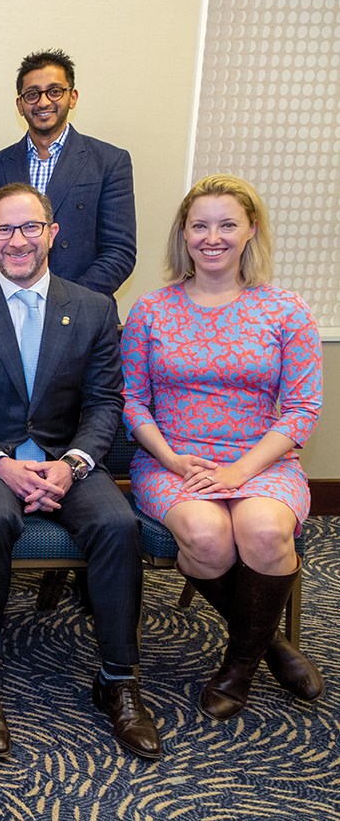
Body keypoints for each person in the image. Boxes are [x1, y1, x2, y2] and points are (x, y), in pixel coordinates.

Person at [0, 183, 160, 761]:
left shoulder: (95, 309)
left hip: (66, 456)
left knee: (117, 526)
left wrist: (75, 462)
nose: (18, 241)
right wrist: (0, 463)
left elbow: (106, 403)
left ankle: (118, 679)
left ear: (52, 233)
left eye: (30, 227)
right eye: (4, 230)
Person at [122, 174, 323, 720]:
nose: (213, 237)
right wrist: (169, 458)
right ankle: (270, 642)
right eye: (200, 225)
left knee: (262, 532)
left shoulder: (285, 309)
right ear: (183, 234)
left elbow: (303, 408)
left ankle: (239, 665)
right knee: (208, 540)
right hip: (175, 460)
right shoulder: (151, 310)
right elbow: (134, 402)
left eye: (227, 224)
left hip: (262, 460)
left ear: (250, 230)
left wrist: (238, 472)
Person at [0, 48, 137, 296]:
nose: (43, 102)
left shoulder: (109, 162)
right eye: (32, 94)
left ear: (72, 97)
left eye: (54, 91)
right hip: (9, 310)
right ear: (20, 105)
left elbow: (119, 252)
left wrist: (70, 301)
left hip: (84, 310)